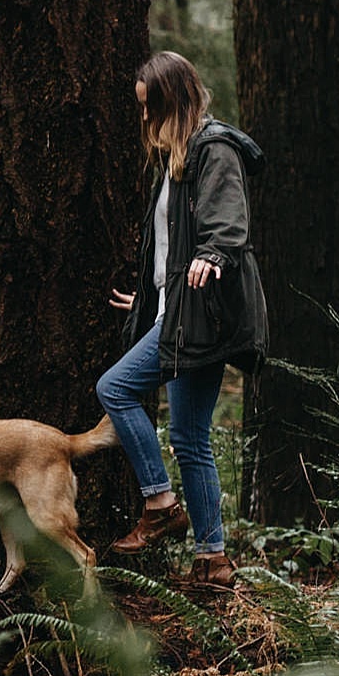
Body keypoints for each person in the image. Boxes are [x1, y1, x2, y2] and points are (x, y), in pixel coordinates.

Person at [96, 51, 268, 588]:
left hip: (201, 317)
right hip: (177, 310)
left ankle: (159, 501)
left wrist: (213, 254)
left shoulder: (213, 151)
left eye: (151, 107)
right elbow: (170, 248)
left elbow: (227, 223)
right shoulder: (175, 162)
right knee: (192, 438)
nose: (144, 119)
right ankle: (213, 558)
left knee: (116, 389)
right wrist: (151, 300)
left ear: (174, 101)